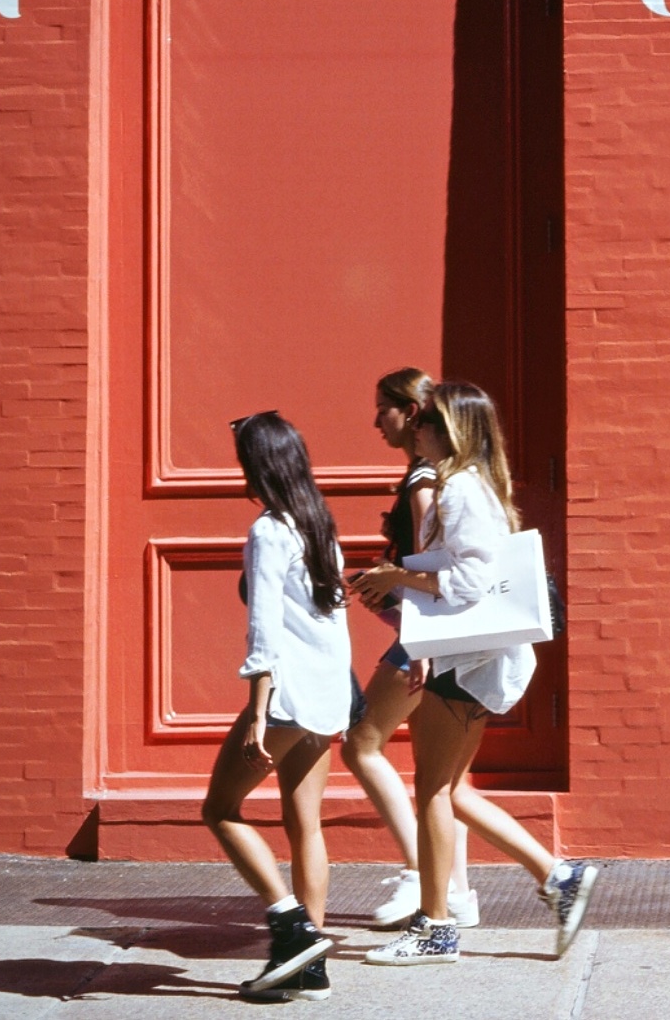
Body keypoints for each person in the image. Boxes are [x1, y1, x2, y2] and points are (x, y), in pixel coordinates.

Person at [353, 382, 598, 965]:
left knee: (434, 789)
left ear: (451, 429)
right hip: (473, 661)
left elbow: (467, 584)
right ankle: (556, 877)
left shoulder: (458, 488)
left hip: (465, 663)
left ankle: (436, 927)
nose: (417, 430)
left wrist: (395, 579)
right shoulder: (478, 483)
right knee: (450, 789)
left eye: (429, 422)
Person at [201, 411, 354, 1002]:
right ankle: (311, 970)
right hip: (324, 696)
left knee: (220, 809)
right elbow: (331, 622)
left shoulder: (269, 530)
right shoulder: (318, 523)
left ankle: (291, 928)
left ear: (255, 466)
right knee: (304, 823)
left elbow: (264, 631)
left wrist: (258, 711)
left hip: (287, 697)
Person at [340, 367, 477, 929]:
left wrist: (413, 636)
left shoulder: (422, 480)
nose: (376, 421)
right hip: (432, 638)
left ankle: (422, 874)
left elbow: (429, 567)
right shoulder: (427, 473)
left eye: (384, 410)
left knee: (360, 744)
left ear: (411, 412)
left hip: (425, 640)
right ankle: (457, 893)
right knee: (440, 777)